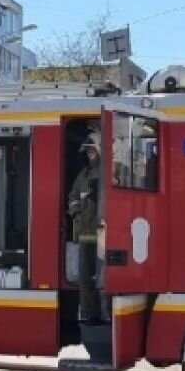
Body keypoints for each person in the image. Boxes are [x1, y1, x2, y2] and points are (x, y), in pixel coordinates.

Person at [68, 128, 104, 324]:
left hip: (105, 236)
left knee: (104, 280)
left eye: (92, 151)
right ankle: (89, 314)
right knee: (85, 279)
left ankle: (106, 314)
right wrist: (75, 212)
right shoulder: (83, 175)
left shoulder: (110, 171)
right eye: (88, 152)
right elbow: (73, 196)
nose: (90, 155)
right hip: (85, 234)